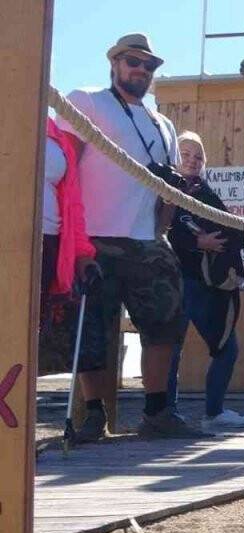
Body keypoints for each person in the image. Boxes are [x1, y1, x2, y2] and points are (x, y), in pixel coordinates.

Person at [55, 33, 204, 440]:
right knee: (92, 330)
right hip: (95, 235)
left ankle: (157, 412)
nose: (141, 70)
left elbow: (166, 190)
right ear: (115, 63)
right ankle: (93, 416)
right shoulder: (86, 101)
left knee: (166, 323)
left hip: (146, 239)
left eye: (148, 65)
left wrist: (165, 224)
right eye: (133, 62)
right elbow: (62, 165)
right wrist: (74, 239)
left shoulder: (164, 124)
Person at [163, 132, 244, 429]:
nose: (191, 160)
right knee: (169, 349)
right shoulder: (163, 189)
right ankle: (166, 413)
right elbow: (160, 229)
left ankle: (214, 413)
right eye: (185, 154)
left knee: (228, 347)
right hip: (174, 279)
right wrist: (195, 243)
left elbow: (237, 233)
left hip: (206, 285)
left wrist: (212, 242)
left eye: (197, 156)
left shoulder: (206, 193)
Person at [41, 116, 97, 313]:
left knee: (31, 324)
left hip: (47, 244)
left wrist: (82, 253)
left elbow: (72, 203)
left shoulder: (54, 133)